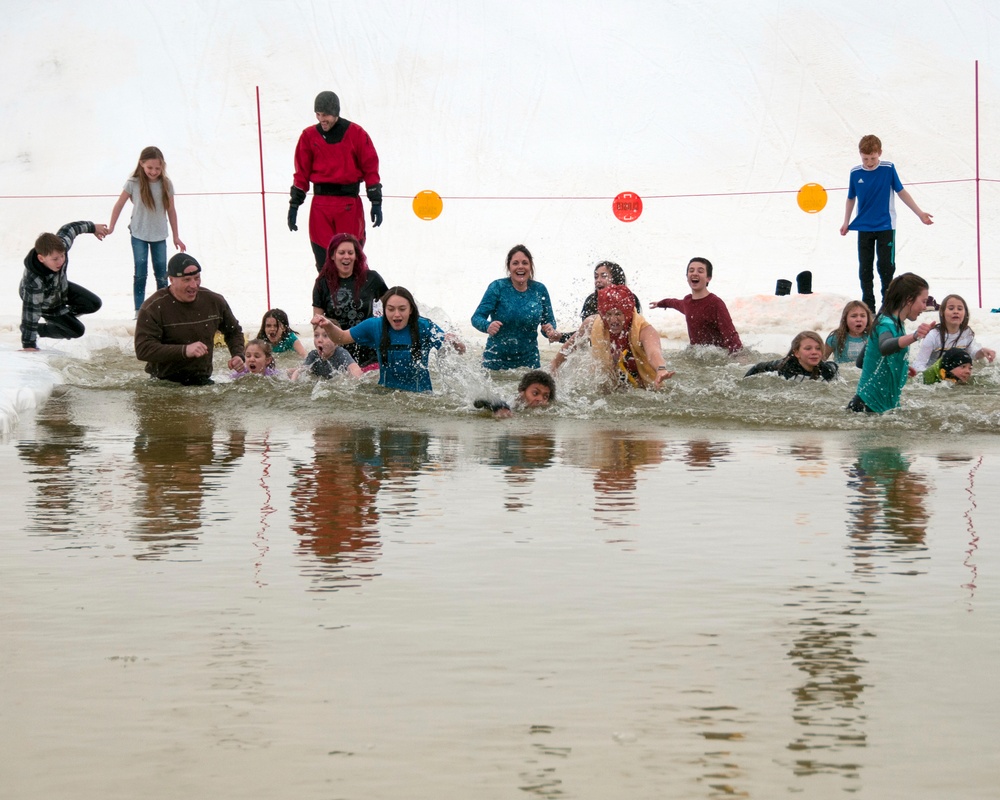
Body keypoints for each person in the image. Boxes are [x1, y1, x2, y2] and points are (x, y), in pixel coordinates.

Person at [288, 90, 382, 270]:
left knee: (350, 259)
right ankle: (326, 296)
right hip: (320, 207)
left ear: (336, 113)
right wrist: (294, 204)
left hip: (348, 206)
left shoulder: (356, 134)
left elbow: (370, 167)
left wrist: (375, 200)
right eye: (318, 114)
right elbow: (301, 173)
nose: (322, 119)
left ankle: (357, 295)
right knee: (325, 262)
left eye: (326, 115)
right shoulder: (308, 137)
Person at [840, 134, 934, 313]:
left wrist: (920, 213)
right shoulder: (855, 173)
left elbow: (901, 192)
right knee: (865, 269)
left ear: (880, 153)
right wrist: (846, 221)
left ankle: (887, 307)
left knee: (886, 267)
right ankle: (869, 307)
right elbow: (851, 198)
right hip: (864, 227)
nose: (869, 162)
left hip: (885, 226)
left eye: (873, 158)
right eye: (865, 158)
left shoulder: (888, 169)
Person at [312, 286, 465, 393]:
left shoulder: (424, 326)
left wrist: (455, 342)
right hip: (388, 396)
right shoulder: (375, 325)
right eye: (390, 309)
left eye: (402, 309)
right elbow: (342, 337)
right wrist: (328, 325)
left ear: (411, 309)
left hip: (420, 396)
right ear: (384, 310)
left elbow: (460, 351)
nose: (396, 314)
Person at [134, 253, 245, 385]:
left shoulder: (214, 301)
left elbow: (233, 331)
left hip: (202, 381)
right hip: (163, 384)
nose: (194, 285)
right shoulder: (153, 307)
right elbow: (143, 349)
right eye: (187, 280)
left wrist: (238, 354)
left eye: (197, 278)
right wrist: (184, 350)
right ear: (171, 280)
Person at [107, 146, 185, 316]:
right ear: (142, 164)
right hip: (139, 233)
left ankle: (164, 309)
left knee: (161, 273)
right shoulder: (133, 183)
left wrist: (176, 236)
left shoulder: (166, 184)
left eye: (158, 168)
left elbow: (171, 210)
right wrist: (111, 226)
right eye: (150, 167)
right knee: (141, 270)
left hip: (159, 234)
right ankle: (139, 310)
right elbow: (119, 204)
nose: (153, 171)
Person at [551, 285, 674, 389]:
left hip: (643, 386)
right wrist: (554, 369)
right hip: (610, 383)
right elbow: (568, 348)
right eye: (608, 314)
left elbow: (654, 353)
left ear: (627, 313)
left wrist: (661, 370)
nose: (613, 320)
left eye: (618, 314)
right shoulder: (592, 323)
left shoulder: (644, 329)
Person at [847, 272, 935, 414]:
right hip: (867, 408)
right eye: (923, 301)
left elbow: (861, 361)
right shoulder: (886, 323)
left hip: (878, 408)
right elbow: (885, 346)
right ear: (909, 299)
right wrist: (915, 336)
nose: (925, 307)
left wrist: (897, 365)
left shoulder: (895, 323)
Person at [19, 221, 108, 351]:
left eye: (62, 256)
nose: (61, 261)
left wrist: (93, 228)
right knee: (77, 330)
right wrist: (29, 345)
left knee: (94, 303)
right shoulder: (34, 282)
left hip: (61, 288)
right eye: (55, 259)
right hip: (46, 302)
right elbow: (30, 313)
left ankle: (62, 317)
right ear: (41, 258)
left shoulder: (61, 246)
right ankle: (41, 330)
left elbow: (71, 229)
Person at [471, 244, 560, 370]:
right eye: (515, 263)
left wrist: (550, 330)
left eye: (525, 263)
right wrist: (487, 326)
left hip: (529, 363)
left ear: (530, 267)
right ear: (509, 267)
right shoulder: (497, 287)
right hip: (495, 363)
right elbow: (476, 317)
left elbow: (549, 321)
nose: (520, 267)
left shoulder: (540, 290)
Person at [311, 232, 388, 368]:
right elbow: (317, 322)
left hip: (369, 349)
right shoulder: (322, 283)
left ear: (357, 256)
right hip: (338, 353)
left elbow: (391, 305)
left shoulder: (372, 278)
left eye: (350, 252)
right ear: (333, 256)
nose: (346, 256)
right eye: (341, 252)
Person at [649, 257, 743, 353]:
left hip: (717, 356)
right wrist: (660, 303)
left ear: (708, 278)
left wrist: (738, 355)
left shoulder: (715, 303)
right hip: (696, 353)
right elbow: (674, 303)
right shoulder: (687, 302)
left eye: (700, 271)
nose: (694, 273)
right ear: (687, 277)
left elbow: (730, 334)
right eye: (691, 270)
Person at [910, 293, 996, 372]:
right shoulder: (933, 335)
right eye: (951, 308)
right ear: (942, 313)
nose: (956, 311)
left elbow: (973, 354)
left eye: (960, 309)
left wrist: (982, 351)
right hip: (936, 375)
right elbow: (918, 365)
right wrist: (934, 375)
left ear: (965, 314)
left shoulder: (966, 333)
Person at [745, 331, 839, 381]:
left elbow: (835, 368)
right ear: (797, 353)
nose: (814, 352)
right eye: (808, 348)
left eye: (818, 348)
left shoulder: (828, 370)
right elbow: (758, 367)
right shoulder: (786, 366)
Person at [474, 369, 556, 419]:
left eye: (545, 396)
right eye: (535, 393)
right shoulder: (512, 405)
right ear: (521, 391)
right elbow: (483, 400)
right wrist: (500, 408)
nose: (540, 399)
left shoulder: (548, 410)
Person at [292, 324, 364, 380]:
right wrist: (293, 382)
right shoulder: (313, 355)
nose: (319, 340)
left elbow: (354, 369)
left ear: (336, 341)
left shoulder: (341, 353)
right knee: (292, 370)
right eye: (316, 335)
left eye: (325, 336)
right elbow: (300, 371)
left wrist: (357, 378)